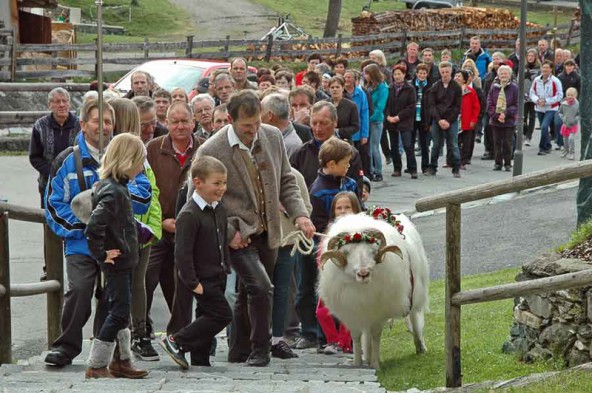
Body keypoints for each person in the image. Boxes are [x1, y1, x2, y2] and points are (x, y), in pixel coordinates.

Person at [196, 90, 314, 367]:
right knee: (261, 287)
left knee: (250, 290)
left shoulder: (272, 136)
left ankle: (238, 349)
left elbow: (286, 179)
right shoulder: (212, 150)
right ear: (229, 120)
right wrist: (227, 233)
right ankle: (261, 349)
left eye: (258, 123)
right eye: (247, 126)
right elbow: (199, 200)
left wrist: (299, 215)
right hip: (236, 233)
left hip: (268, 228)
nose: (254, 130)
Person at [44, 100, 152, 368]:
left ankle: (110, 351)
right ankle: (66, 346)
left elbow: (144, 196)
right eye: (97, 121)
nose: (103, 127)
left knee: (113, 298)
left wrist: (112, 202)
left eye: (108, 122)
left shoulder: (127, 154)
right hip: (81, 243)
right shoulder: (66, 161)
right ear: (83, 124)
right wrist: (85, 225)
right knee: (80, 290)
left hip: (116, 243)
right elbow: (54, 205)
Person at [84, 133, 148, 379]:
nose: (142, 166)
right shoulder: (114, 191)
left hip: (125, 260)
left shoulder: (117, 188)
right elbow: (94, 226)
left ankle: (122, 361)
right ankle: (97, 363)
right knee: (120, 312)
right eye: (140, 161)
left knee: (122, 310)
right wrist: (101, 254)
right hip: (119, 262)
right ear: (128, 160)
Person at [160, 156, 233, 369]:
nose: (222, 188)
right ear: (198, 182)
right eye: (216, 183)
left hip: (217, 274)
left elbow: (222, 240)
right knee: (222, 314)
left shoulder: (218, 208)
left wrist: (225, 266)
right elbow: (182, 253)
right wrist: (192, 282)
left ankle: (201, 360)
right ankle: (176, 341)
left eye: (224, 183)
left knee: (206, 315)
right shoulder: (189, 214)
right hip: (201, 279)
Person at [145, 102, 205, 339]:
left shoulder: (205, 148)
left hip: (193, 231)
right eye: (174, 122)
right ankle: (141, 330)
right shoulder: (151, 149)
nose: (180, 126)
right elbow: (144, 190)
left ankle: (182, 335)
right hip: (157, 229)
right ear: (166, 123)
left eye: (184, 121)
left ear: (193, 122)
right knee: (145, 279)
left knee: (183, 284)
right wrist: (161, 222)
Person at [109, 98, 163, 361]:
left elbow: (143, 191)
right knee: (131, 282)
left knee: (134, 282)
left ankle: (137, 332)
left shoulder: (130, 149)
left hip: (137, 226)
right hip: (141, 224)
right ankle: (130, 332)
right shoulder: (127, 147)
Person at [270, 167, 311, 359]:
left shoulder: (295, 176)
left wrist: (288, 210)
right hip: (260, 241)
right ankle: (244, 337)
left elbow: (306, 209)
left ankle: (280, 337)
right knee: (255, 290)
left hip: (286, 242)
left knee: (283, 290)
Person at [316, 191, 361, 355]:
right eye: (339, 208)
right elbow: (322, 256)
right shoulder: (329, 233)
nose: (342, 211)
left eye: (347, 207)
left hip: (352, 279)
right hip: (332, 278)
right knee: (322, 311)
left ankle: (345, 343)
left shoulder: (359, 233)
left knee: (350, 310)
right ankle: (332, 340)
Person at [29, 87, 79, 208]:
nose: (62, 105)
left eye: (64, 101)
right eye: (57, 102)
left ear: (69, 104)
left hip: (75, 183)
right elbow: (35, 157)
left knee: (73, 220)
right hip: (47, 183)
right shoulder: (40, 126)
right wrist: (53, 172)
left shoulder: (80, 125)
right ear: (50, 105)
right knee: (48, 219)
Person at [426, 61, 462, 178]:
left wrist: (448, 121)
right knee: (436, 144)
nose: (445, 74)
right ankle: (432, 167)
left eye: (447, 72)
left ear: (451, 72)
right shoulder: (435, 87)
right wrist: (439, 119)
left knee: (453, 144)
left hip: (451, 119)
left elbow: (457, 106)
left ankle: (456, 168)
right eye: (443, 72)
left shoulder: (456, 87)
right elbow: (431, 105)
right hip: (438, 119)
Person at [385, 64, 418, 179]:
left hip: (405, 121)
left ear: (404, 75)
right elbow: (386, 104)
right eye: (395, 74)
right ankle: (397, 168)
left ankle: (413, 169)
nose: (397, 76)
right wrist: (388, 116)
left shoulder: (410, 88)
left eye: (399, 74)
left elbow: (411, 106)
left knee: (408, 145)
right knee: (394, 146)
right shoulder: (389, 88)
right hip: (391, 121)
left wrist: (399, 117)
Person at [486, 65, 518, 172]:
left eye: (506, 73)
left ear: (509, 75)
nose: (503, 75)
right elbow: (489, 103)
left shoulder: (514, 87)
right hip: (496, 120)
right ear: (498, 75)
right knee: (497, 142)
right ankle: (497, 163)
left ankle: (508, 163)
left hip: (509, 120)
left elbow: (516, 104)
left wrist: (505, 113)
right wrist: (496, 115)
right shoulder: (493, 87)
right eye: (501, 74)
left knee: (507, 143)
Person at [529, 60, 563, 156]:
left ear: (551, 69)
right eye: (543, 67)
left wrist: (546, 101)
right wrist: (537, 100)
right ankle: (548, 145)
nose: (545, 69)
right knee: (544, 128)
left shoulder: (555, 81)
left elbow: (559, 95)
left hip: (551, 108)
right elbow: (532, 92)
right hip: (539, 108)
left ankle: (542, 147)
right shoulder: (536, 80)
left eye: (547, 68)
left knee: (544, 127)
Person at [364, 64, 388, 182]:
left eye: (367, 73)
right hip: (368, 120)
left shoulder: (383, 88)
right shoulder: (368, 87)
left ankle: (378, 171)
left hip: (375, 121)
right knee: (368, 148)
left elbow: (380, 107)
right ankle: (371, 169)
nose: (365, 76)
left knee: (374, 147)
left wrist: (370, 119)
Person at [343, 69, 370, 176]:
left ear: (354, 80)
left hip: (358, 132)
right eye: (345, 77)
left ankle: (364, 175)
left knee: (360, 156)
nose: (346, 79)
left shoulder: (361, 94)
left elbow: (364, 114)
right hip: (346, 130)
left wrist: (365, 134)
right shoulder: (341, 93)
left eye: (349, 77)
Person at [261, 93, 303, 158]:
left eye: (261, 111)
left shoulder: (292, 146)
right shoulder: (269, 136)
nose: (259, 116)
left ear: (270, 115)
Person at [454, 70, 481, 170]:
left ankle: (463, 161)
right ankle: (452, 160)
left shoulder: (471, 91)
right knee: (454, 142)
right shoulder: (451, 90)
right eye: (456, 76)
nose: (457, 78)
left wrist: (473, 120)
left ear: (464, 79)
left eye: (459, 76)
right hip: (454, 121)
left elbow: (476, 107)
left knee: (466, 143)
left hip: (467, 121)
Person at [413, 64, 433, 175]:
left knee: (424, 145)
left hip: (424, 119)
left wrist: (430, 121)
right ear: (416, 74)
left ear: (427, 74)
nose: (422, 75)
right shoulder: (411, 85)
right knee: (410, 144)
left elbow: (431, 105)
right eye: (420, 73)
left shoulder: (431, 86)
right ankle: (412, 166)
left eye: (424, 73)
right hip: (412, 118)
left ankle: (425, 166)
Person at [327, 75, 359, 143]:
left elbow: (355, 127)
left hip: (345, 141)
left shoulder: (351, 106)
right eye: (332, 87)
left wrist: (339, 131)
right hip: (327, 141)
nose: (335, 89)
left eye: (337, 87)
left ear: (343, 88)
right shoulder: (324, 104)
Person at [523, 49, 541, 146]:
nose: (530, 57)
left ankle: (529, 136)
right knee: (523, 116)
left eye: (532, 56)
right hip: (524, 96)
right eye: (528, 56)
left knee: (532, 117)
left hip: (534, 96)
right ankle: (524, 133)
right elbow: (519, 80)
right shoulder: (523, 67)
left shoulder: (539, 69)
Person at [558, 87, 580, 160]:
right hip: (565, 124)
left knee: (571, 139)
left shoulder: (577, 104)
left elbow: (579, 114)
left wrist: (576, 119)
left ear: (575, 96)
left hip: (573, 125)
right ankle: (566, 150)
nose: (570, 96)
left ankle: (572, 153)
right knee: (565, 139)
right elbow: (560, 112)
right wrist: (563, 118)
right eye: (568, 95)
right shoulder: (563, 104)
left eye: (572, 95)